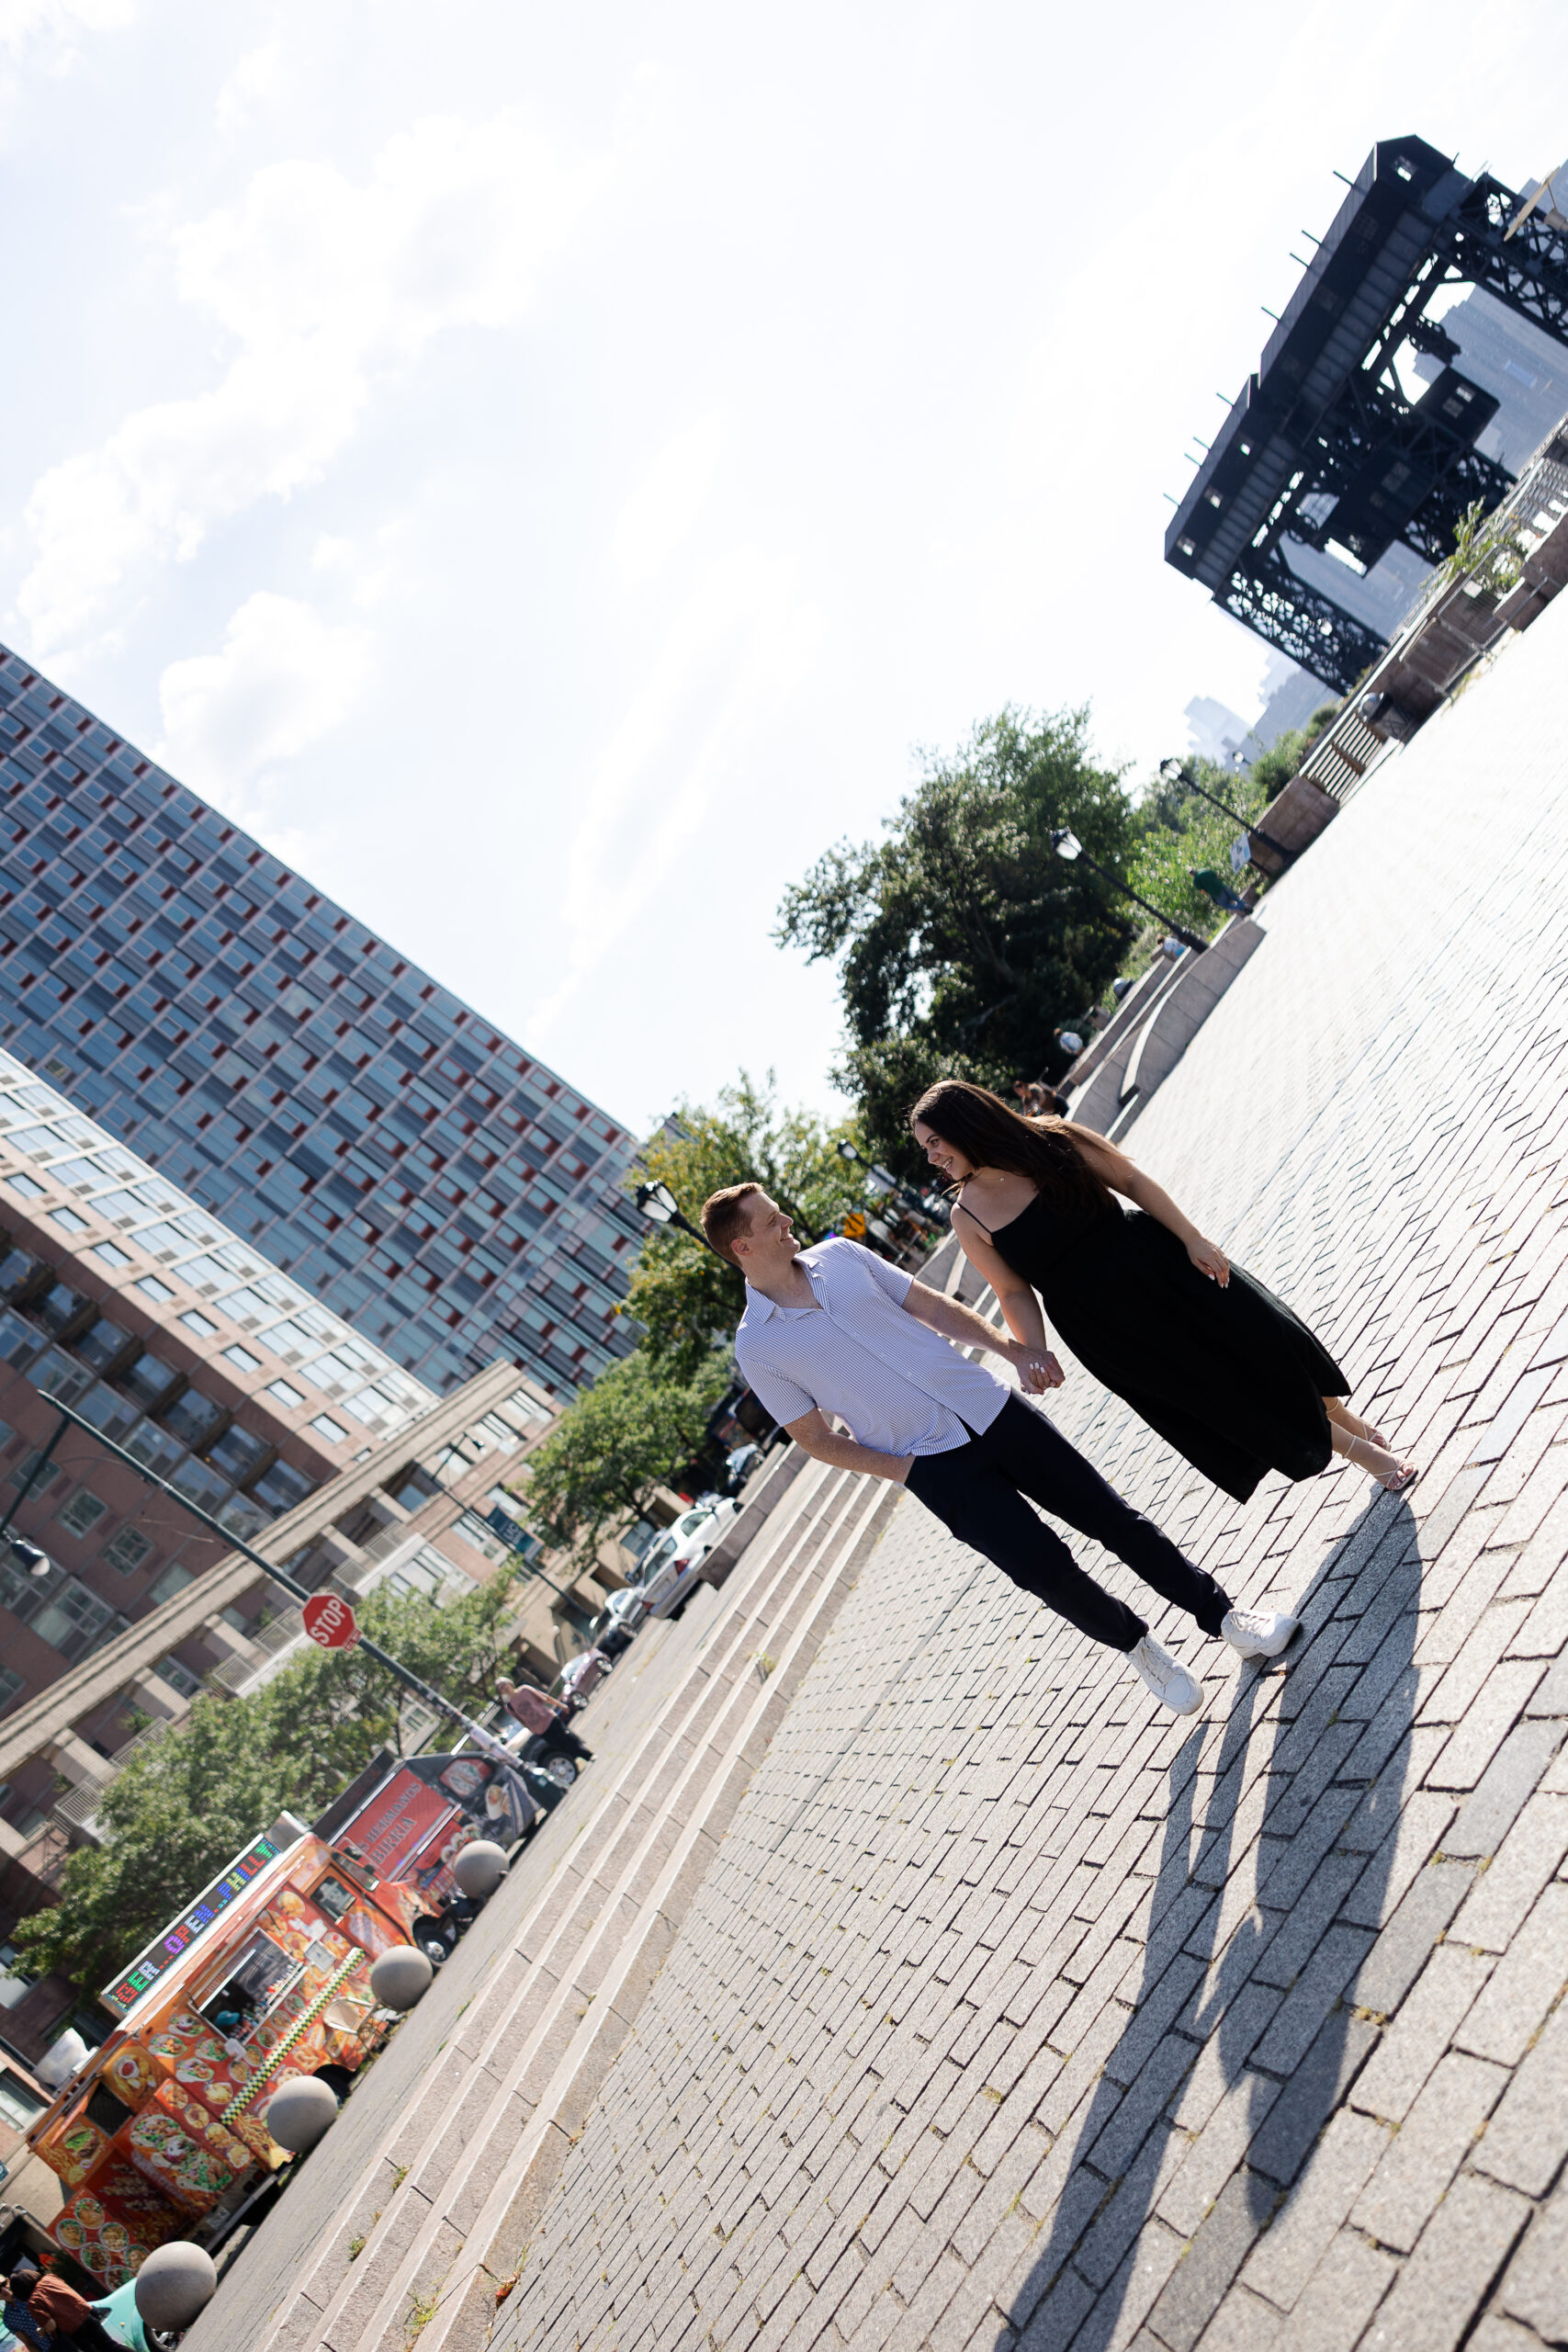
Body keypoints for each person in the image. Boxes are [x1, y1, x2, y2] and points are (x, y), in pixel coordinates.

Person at [703, 1182, 1303, 1719]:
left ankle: (1224, 1617)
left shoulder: (841, 1257)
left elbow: (931, 1306)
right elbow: (813, 1439)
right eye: (772, 1222)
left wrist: (1011, 1350)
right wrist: (909, 1472)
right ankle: (1139, 1647)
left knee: (1115, 1521)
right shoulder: (758, 1348)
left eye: (780, 1213)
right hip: (934, 1469)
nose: (787, 1222)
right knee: (1048, 1575)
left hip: (994, 1410)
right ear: (743, 1247)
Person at [909, 1079, 1416, 1501]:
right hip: (1108, 1329)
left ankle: (1346, 1424)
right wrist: (1032, 1353)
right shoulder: (967, 1214)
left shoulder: (1053, 1139)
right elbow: (1013, 1291)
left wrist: (1193, 1237)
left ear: (965, 1124)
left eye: (934, 1142)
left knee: (1264, 1346)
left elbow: (1130, 1180)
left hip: (1161, 1265)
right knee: (1231, 1390)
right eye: (925, 1148)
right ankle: (1368, 1455)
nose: (931, 1157)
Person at [5, 2268, 119, 2352]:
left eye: (4, 2284)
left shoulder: (33, 2302)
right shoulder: (50, 2278)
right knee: (111, 2346)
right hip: (85, 2316)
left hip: (72, 2330)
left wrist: (42, 2330)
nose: (4, 2289)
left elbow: (51, 2325)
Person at [496, 1676, 593, 1766]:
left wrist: (561, 1705)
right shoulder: (509, 1707)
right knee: (559, 1745)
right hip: (540, 1730)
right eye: (501, 1688)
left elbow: (545, 1698)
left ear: (509, 1683)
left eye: (504, 1684)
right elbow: (522, 1721)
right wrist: (533, 1730)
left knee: (567, 1737)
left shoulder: (525, 1690)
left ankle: (588, 1755)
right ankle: (578, 1756)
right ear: (501, 1692)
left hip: (549, 1719)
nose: (505, 1688)